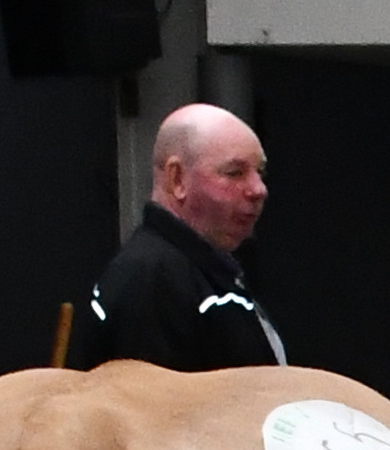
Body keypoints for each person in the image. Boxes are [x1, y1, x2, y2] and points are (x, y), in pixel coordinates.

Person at [78, 103, 285, 371]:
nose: (259, 189)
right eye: (235, 173)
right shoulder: (153, 278)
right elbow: (152, 407)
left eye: (261, 173)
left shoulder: (194, 271)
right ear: (177, 179)